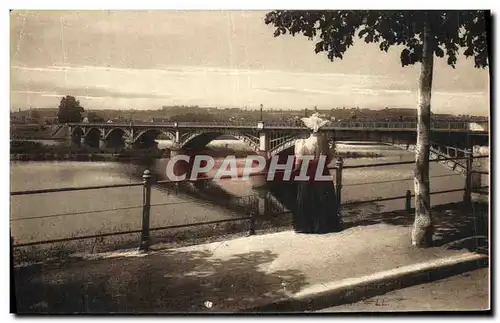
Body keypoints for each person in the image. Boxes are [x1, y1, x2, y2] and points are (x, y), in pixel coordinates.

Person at [291, 113, 341, 234]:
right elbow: (329, 159)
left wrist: (295, 170)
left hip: (306, 169)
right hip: (321, 169)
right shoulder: (324, 142)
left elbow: (298, 161)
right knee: (323, 197)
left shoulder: (303, 143)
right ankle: (324, 225)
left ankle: (306, 226)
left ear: (309, 129)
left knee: (306, 197)